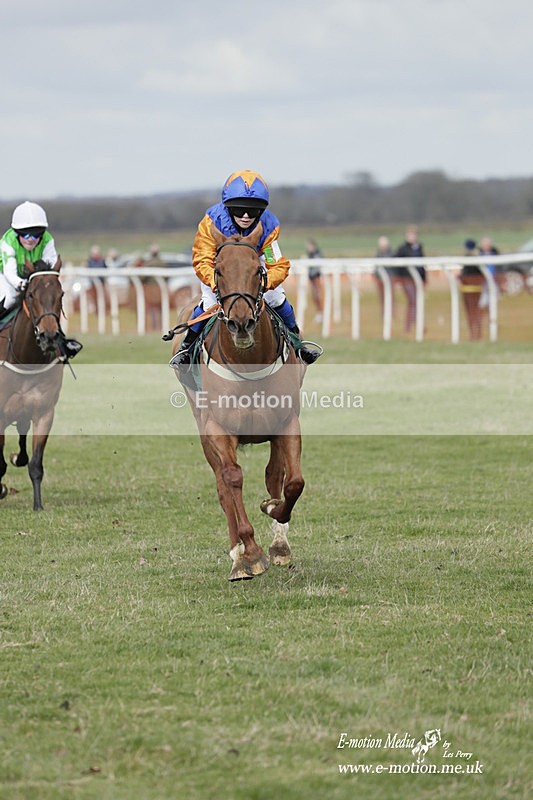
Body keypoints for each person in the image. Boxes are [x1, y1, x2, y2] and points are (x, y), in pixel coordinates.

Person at [171, 169, 320, 365]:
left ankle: (298, 345)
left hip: (253, 269)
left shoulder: (268, 225)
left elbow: (277, 263)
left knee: (276, 297)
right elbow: (202, 258)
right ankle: (187, 350)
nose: (247, 215)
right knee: (208, 302)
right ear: (228, 207)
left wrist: (264, 283)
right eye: (239, 210)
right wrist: (216, 281)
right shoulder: (211, 222)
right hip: (221, 270)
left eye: (254, 210)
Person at [0, 201, 82, 357]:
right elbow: (10, 273)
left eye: (36, 235)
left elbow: (50, 270)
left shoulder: (48, 240)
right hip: (5, 275)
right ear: (17, 233)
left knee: (47, 300)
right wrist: (22, 284)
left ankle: (61, 342)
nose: (31, 239)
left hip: (33, 277)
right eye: (25, 234)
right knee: (10, 297)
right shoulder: (8, 242)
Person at [394, 225, 426, 333]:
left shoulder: (419, 247)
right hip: (406, 279)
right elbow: (396, 264)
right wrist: (397, 280)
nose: (412, 237)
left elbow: (423, 264)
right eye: (410, 235)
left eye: (414, 235)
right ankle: (409, 326)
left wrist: (424, 278)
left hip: (418, 280)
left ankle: (416, 325)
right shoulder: (402, 249)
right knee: (413, 301)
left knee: (416, 302)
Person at [373, 235, 395, 318]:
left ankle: (391, 313)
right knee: (382, 297)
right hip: (380, 279)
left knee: (391, 297)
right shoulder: (378, 254)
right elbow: (375, 267)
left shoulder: (392, 253)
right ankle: (384, 313)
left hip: (390, 278)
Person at [305, 238, 324, 323]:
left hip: (316, 277)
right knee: (314, 296)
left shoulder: (317, 254)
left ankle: (321, 312)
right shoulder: (310, 254)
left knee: (318, 295)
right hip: (312, 278)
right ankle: (319, 313)